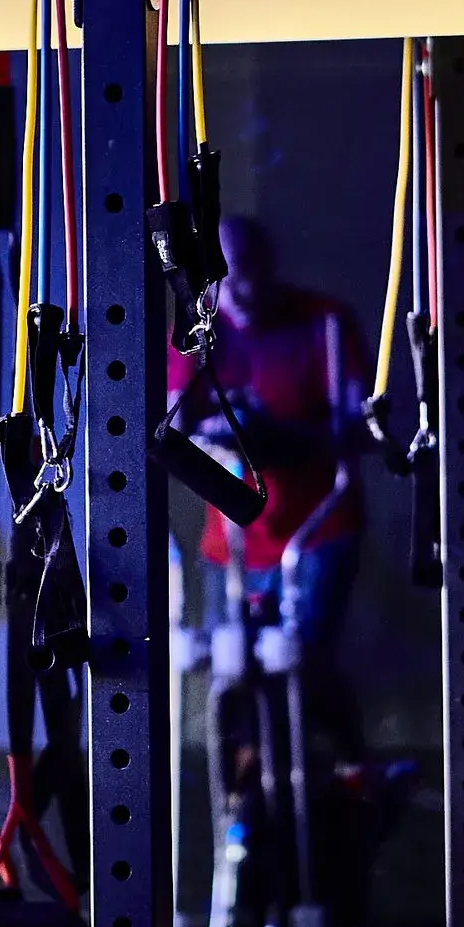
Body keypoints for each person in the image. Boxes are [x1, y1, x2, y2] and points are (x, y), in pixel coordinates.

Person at [168, 215, 372, 759]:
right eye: (226, 279)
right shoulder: (197, 333)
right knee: (233, 672)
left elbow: (356, 426)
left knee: (306, 665)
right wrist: (216, 433)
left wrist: (283, 438)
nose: (240, 291)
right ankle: (247, 782)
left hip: (316, 530)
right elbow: (174, 429)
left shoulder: (324, 323)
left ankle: (342, 769)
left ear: (269, 264)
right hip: (232, 541)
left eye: (249, 272)